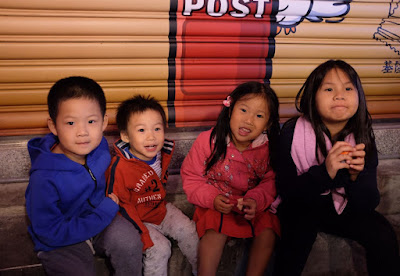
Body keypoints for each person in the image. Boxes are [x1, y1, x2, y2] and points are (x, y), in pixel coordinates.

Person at [274, 60, 400, 276]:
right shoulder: (293, 131)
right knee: (297, 232)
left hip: (341, 206)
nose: (339, 95)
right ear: (312, 97)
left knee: (382, 232)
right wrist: (326, 171)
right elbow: (288, 191)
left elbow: (368, 202)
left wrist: (355, 176)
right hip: (301, 205)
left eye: (348, 88)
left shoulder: (362, 135)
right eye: (329, 89)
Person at [25, 76, 143, 275]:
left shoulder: (99, 148)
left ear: (104, 122)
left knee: (130, 242)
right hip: (60, 237)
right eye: (70, 123)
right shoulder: (44, 178)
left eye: (91, 121)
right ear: (53, 126)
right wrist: (103, 212)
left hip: (97, 218)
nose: (83, 132)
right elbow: (49, 232)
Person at [181, 81, 281, 276]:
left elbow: (271, 181)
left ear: (268, 123)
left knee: (268, 231)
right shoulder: (209, 141)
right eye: (243, 110)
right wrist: (212, 198)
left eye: (259, 116)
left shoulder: (268, 149)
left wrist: (255, 200)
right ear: (230, 109)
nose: (249, 120)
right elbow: (192, 178)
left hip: (250, 206)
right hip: (217, 204)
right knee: (214, 228)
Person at [106, 95, 198, 276]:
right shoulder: (120, 167)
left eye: (157, 128)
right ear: (125, 135)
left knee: (189, 231)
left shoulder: (161, 154)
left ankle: (202, 270)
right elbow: (121, 207)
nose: (151, 136)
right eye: (141, 130)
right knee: (161, 248)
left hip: (160, 210)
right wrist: (143, 234)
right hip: (136, 220)